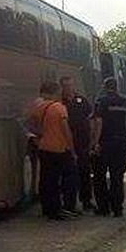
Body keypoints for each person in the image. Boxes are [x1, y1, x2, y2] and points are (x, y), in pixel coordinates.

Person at [29, 81, 77, 220]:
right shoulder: (59, 107)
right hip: (59, 148)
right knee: (59, 179)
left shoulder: (38, 107)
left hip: (43, 147)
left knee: (46, 179)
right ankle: (57, 210)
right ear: (55, 92)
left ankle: (47, 208)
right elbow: (65, 129)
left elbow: (32, 125)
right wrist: (71, 148)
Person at [92, 77, 126, 217]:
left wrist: (95, 142)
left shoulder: (101, 101)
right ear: (116, 87)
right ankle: (118, 208)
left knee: (100, 176)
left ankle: (104, 208)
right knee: (117, 176)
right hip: (120, 142)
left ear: (104, 86)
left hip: (105, 142)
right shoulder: (124, 101)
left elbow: (99, 122)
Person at [60, 76, 94, 212]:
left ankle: (86, 201)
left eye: (70, 85)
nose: (68, 88)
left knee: (84, 172)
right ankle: (70, 205)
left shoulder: (81, 101)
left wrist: (92, 139)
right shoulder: (60, 103)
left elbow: (90, 118)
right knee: (69, 174)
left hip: (82, 141)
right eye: (65, 86)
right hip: (66, 142)